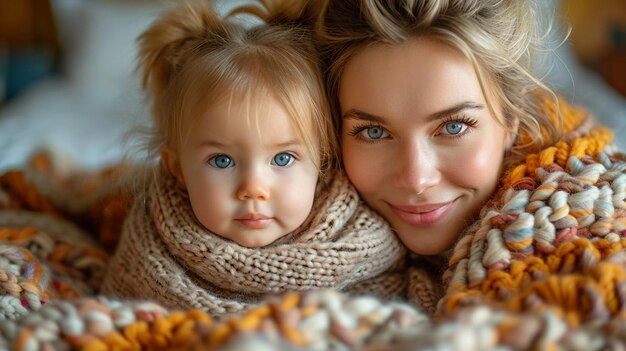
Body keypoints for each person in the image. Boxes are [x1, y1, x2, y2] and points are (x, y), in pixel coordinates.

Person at [317, 0, 624, 321]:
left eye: (453, 127)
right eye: (374, 132)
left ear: (511, 119)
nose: (416, 178)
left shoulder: (598, 241)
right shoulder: (287, 206)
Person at [100, 0, 407, 317]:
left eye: (283, 158)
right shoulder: (148, 252)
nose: (253, 188)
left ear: (323, 161)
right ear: (177, 169)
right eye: (222, 161)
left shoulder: (364, 245)